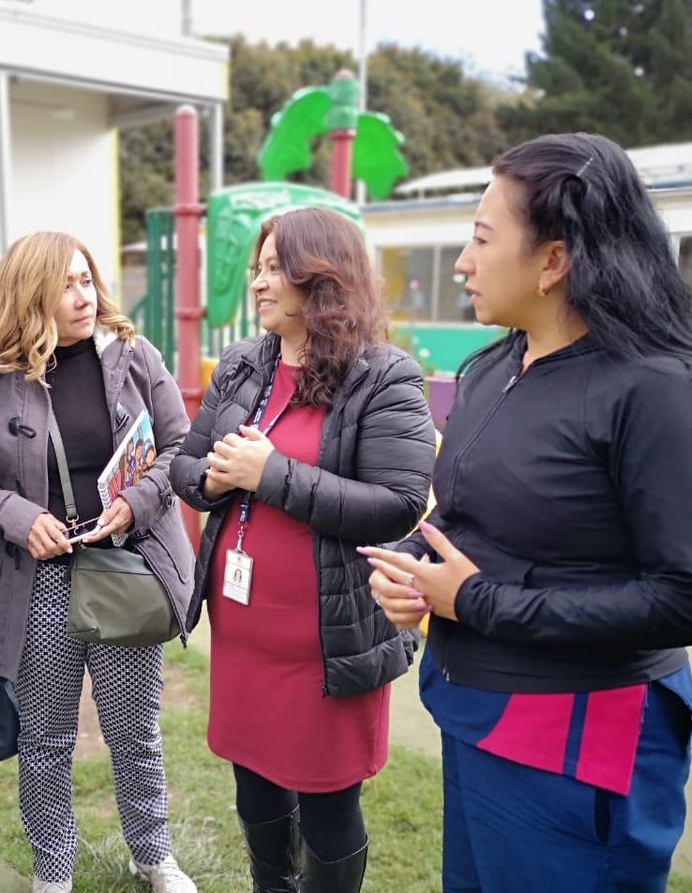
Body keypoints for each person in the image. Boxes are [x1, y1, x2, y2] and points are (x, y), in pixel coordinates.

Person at [361, 133, 692, 892]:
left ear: (554, 260)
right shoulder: (496, 367)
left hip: (581, 741)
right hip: (476, 712)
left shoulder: (662, 391)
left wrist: (475, 600)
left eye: (479, 239)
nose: (463, 263)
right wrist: (418, 562)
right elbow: (469, 514)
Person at [170, 207, 436, 893]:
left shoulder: (384, 375)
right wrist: (212, 477)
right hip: (244, 634)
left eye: (273, 269)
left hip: (327, 641)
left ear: (320, 277)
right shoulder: (241, 365)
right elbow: (184, 467)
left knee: (326, 800)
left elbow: (397, 502)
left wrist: (271, 475)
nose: (257, 283)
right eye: (256, 269)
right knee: (254, 784)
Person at [0, 231, 197, 893]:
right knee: (45, 739)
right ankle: (53, 870)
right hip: (37, 581)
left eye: (87, 280)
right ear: (29, 295)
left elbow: (180, 445)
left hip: (124, 565)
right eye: (65, 284)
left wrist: (141, 500)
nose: (83, 295)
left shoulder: (133, 355)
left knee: (133, 732)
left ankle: (152, 856)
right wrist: (18, 517)